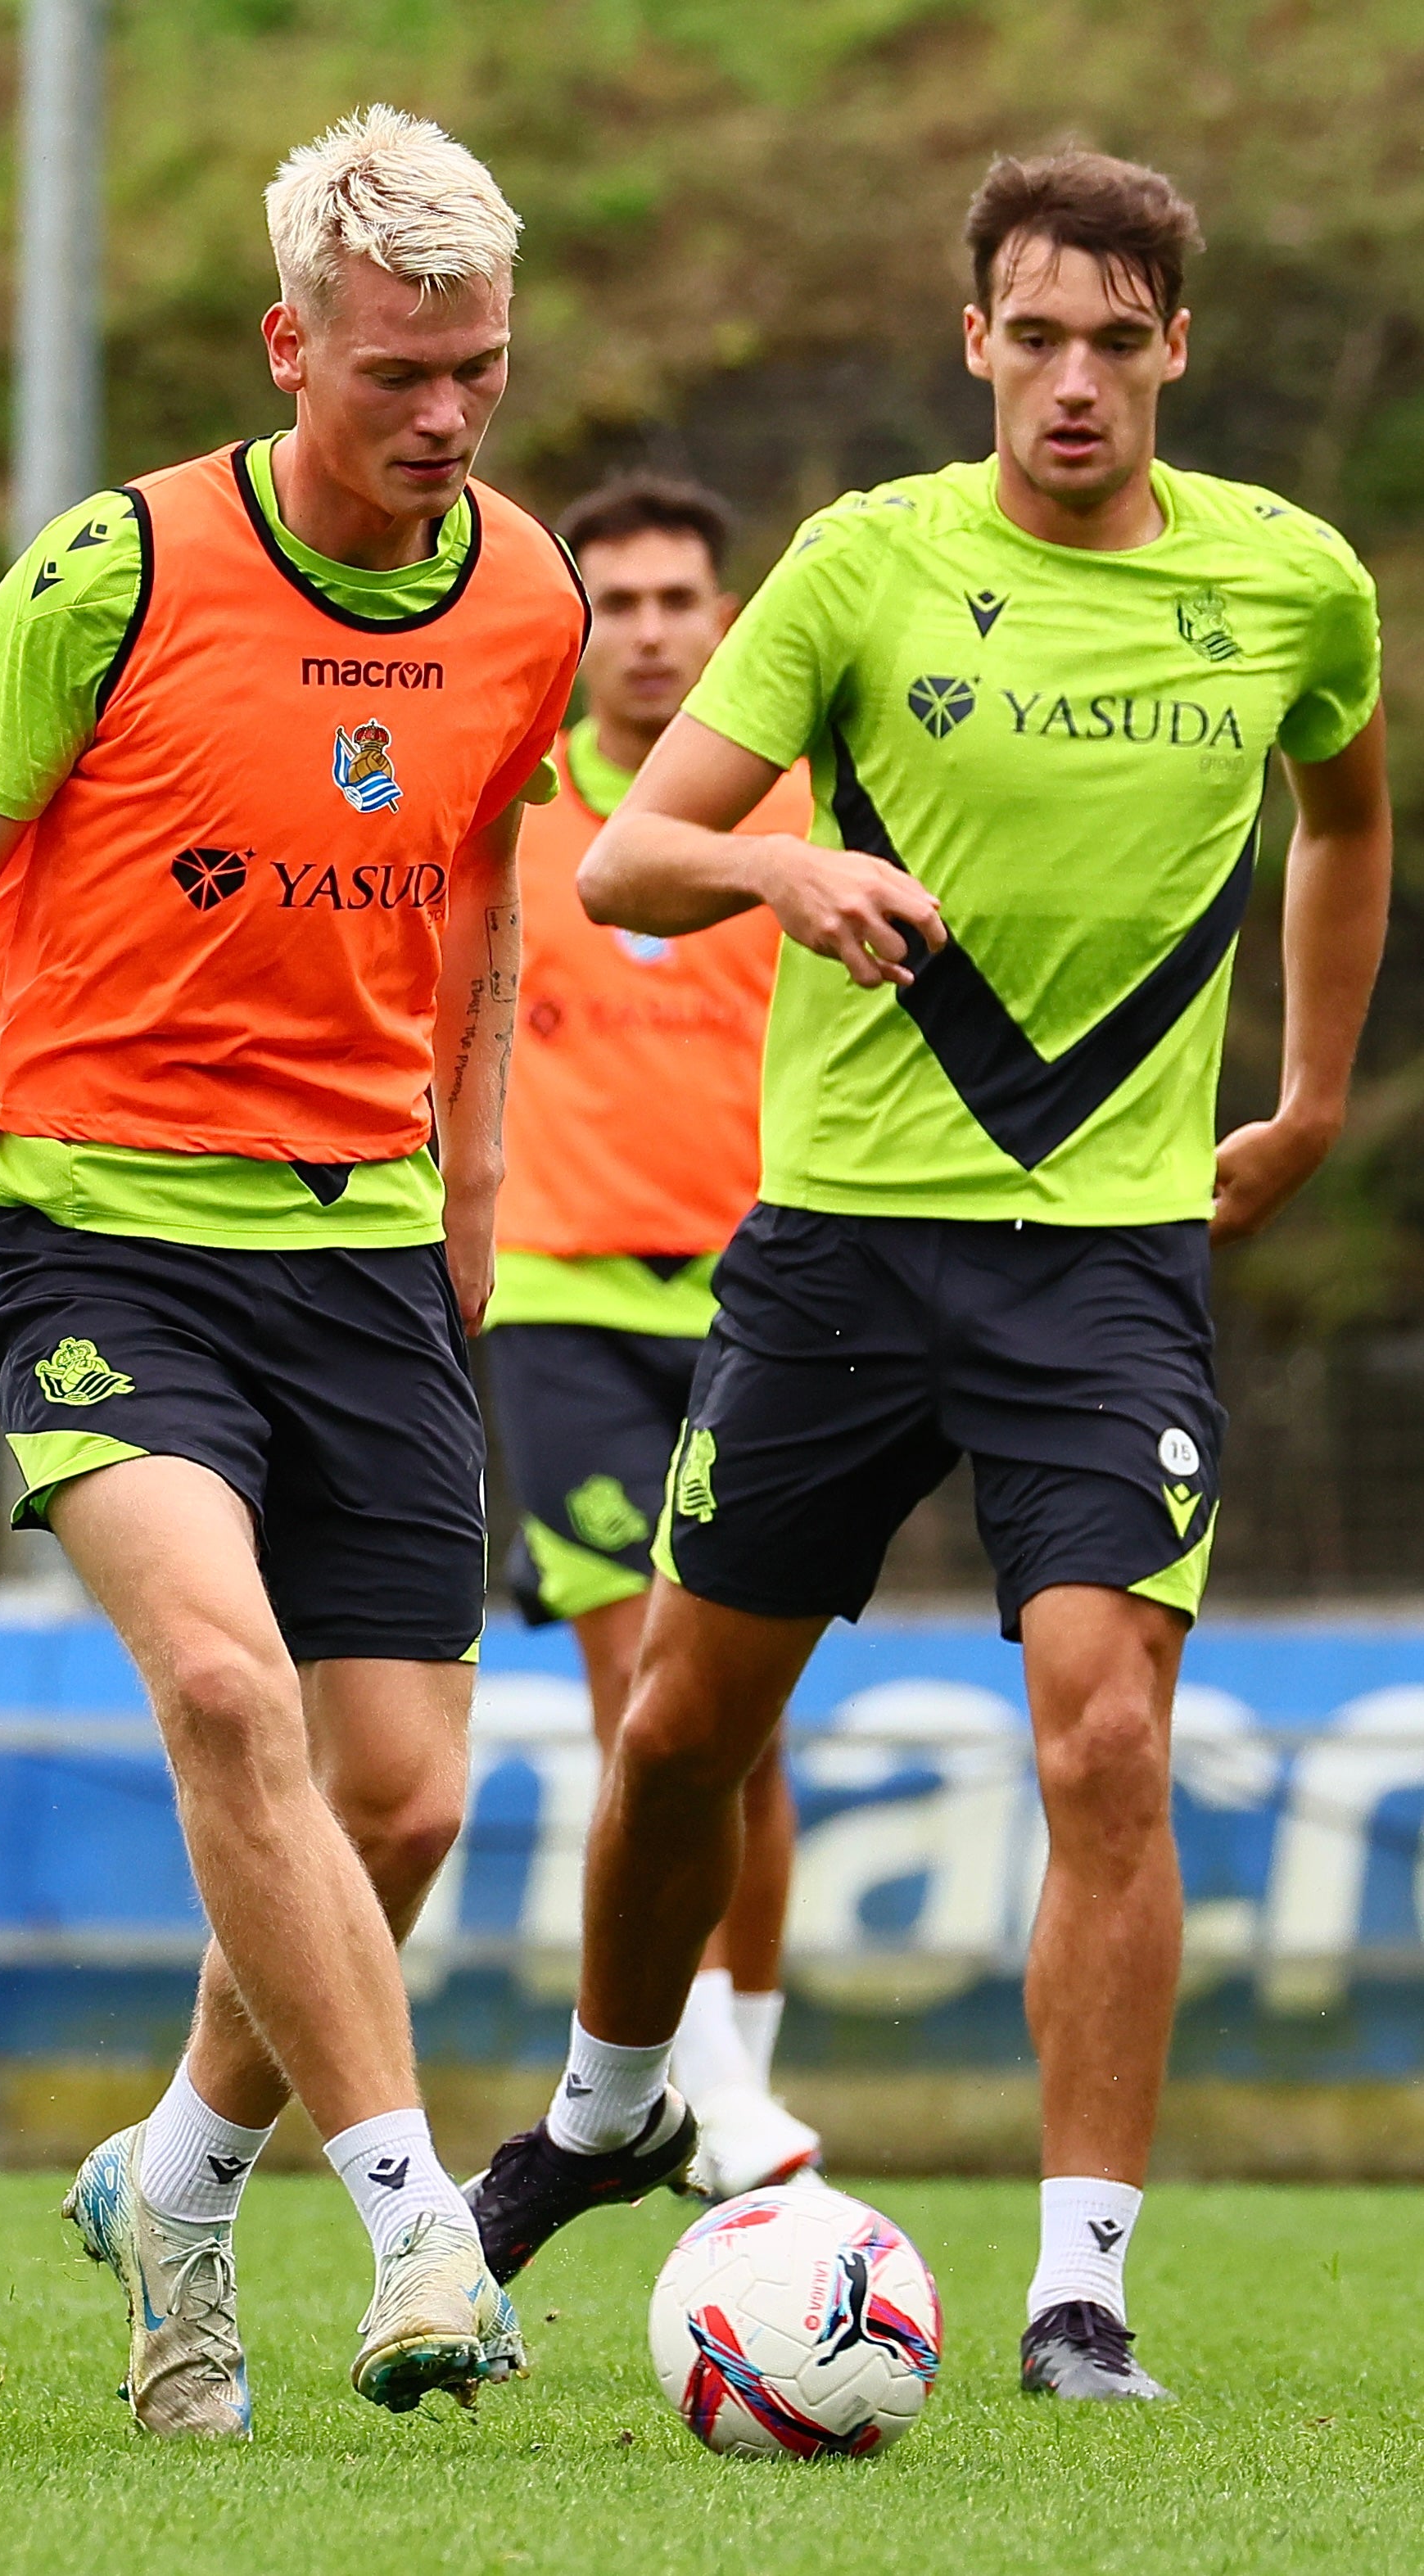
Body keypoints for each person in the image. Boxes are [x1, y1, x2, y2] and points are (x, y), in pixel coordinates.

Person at [466, 147, 1389, 2403]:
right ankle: (606, 2111)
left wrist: (1308, 1095)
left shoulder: (1287, 583)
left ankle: (1076, 2288)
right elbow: (639, 857)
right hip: (841, 1252)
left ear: (1175, 348)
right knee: (680, 1729)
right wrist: (787, 868)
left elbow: (1349, 819)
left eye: (1113, 340)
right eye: (1031, 337)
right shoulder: (863, 561)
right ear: (972, 341)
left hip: (1100, 1269)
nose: (1069, 381)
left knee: (1104, 1740)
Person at [0, 106, 586, 2435]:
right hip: (93, 1232)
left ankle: (177, 2173)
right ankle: (414, 2220)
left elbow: (475, 902)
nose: (441, 420)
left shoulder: (521, 597)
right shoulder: (111, 569)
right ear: (287, 347)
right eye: (393, 376)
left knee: (408, 1797)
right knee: (226, 1704)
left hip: (358, 1249)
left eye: (479, 372)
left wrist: (473, 1208)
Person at [486, 472, 820, 2197]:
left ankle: (727, 2084)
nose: (645, 632)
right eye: (609, 603)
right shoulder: (520, 807)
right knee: (649, 1704)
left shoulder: (792, 820)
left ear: (723, 614)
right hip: (556, 1308)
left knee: (747, 1730)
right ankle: (691, 2083)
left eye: (678, 599)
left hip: (761, 1310)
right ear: (576, 629)